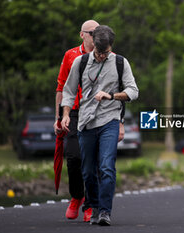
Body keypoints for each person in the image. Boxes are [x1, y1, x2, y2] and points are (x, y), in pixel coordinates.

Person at [61, 25, 139, 226]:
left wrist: (111, 95)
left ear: (111, 46)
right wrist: (66, 114)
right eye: (99, 52)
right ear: (93, 44)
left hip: (109, 120)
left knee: (106, 167)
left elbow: (133, 91)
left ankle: (105, 211)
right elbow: (68, 91)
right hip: (86, 122)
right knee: (87, 171)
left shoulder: (121, 62)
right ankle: (93, 207)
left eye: (106, 52)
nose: (103, 56)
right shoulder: (81, 62)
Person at [53, 19, 99, 222]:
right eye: (91, 32)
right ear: (82, 34)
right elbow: (61, 87)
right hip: (73, 112)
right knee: (73, 158)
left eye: (98, 32)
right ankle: (76, 196)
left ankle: (90, 204)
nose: (95, 36)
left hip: (97, 113)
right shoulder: (71, 55)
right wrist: (58, 117)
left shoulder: (104, 55)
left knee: (92, 160)